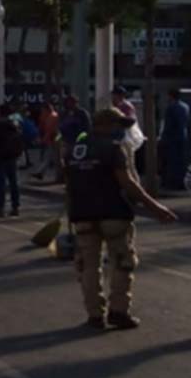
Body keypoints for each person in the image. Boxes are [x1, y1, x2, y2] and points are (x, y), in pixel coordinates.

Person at [66, 108, 178, 330]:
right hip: (114, 213)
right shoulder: (115, 149)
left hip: (83, 215)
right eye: (119, 125)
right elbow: (127, 183)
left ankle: (94, 315)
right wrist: (155, 208)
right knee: (122, 263)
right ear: (107, 125)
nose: (121, 131)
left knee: (88, 266)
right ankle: (118, 311)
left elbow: (70, 184)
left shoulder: (74, 149)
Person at [0, 103, 24, 217]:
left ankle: (0, 208)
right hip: (12, 155)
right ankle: (15, 207)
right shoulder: (15, 123)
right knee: (14, 182)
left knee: (0, 183)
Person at [160, 89, 189, 190]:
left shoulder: (171, 108)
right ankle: (181, 182)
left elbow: (168, 125)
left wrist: (163, 137)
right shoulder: (185, 107)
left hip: (172, 138)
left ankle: (172, 183)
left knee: (171, 161)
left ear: (171, 96)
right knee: (182, 161)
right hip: (183, 137)